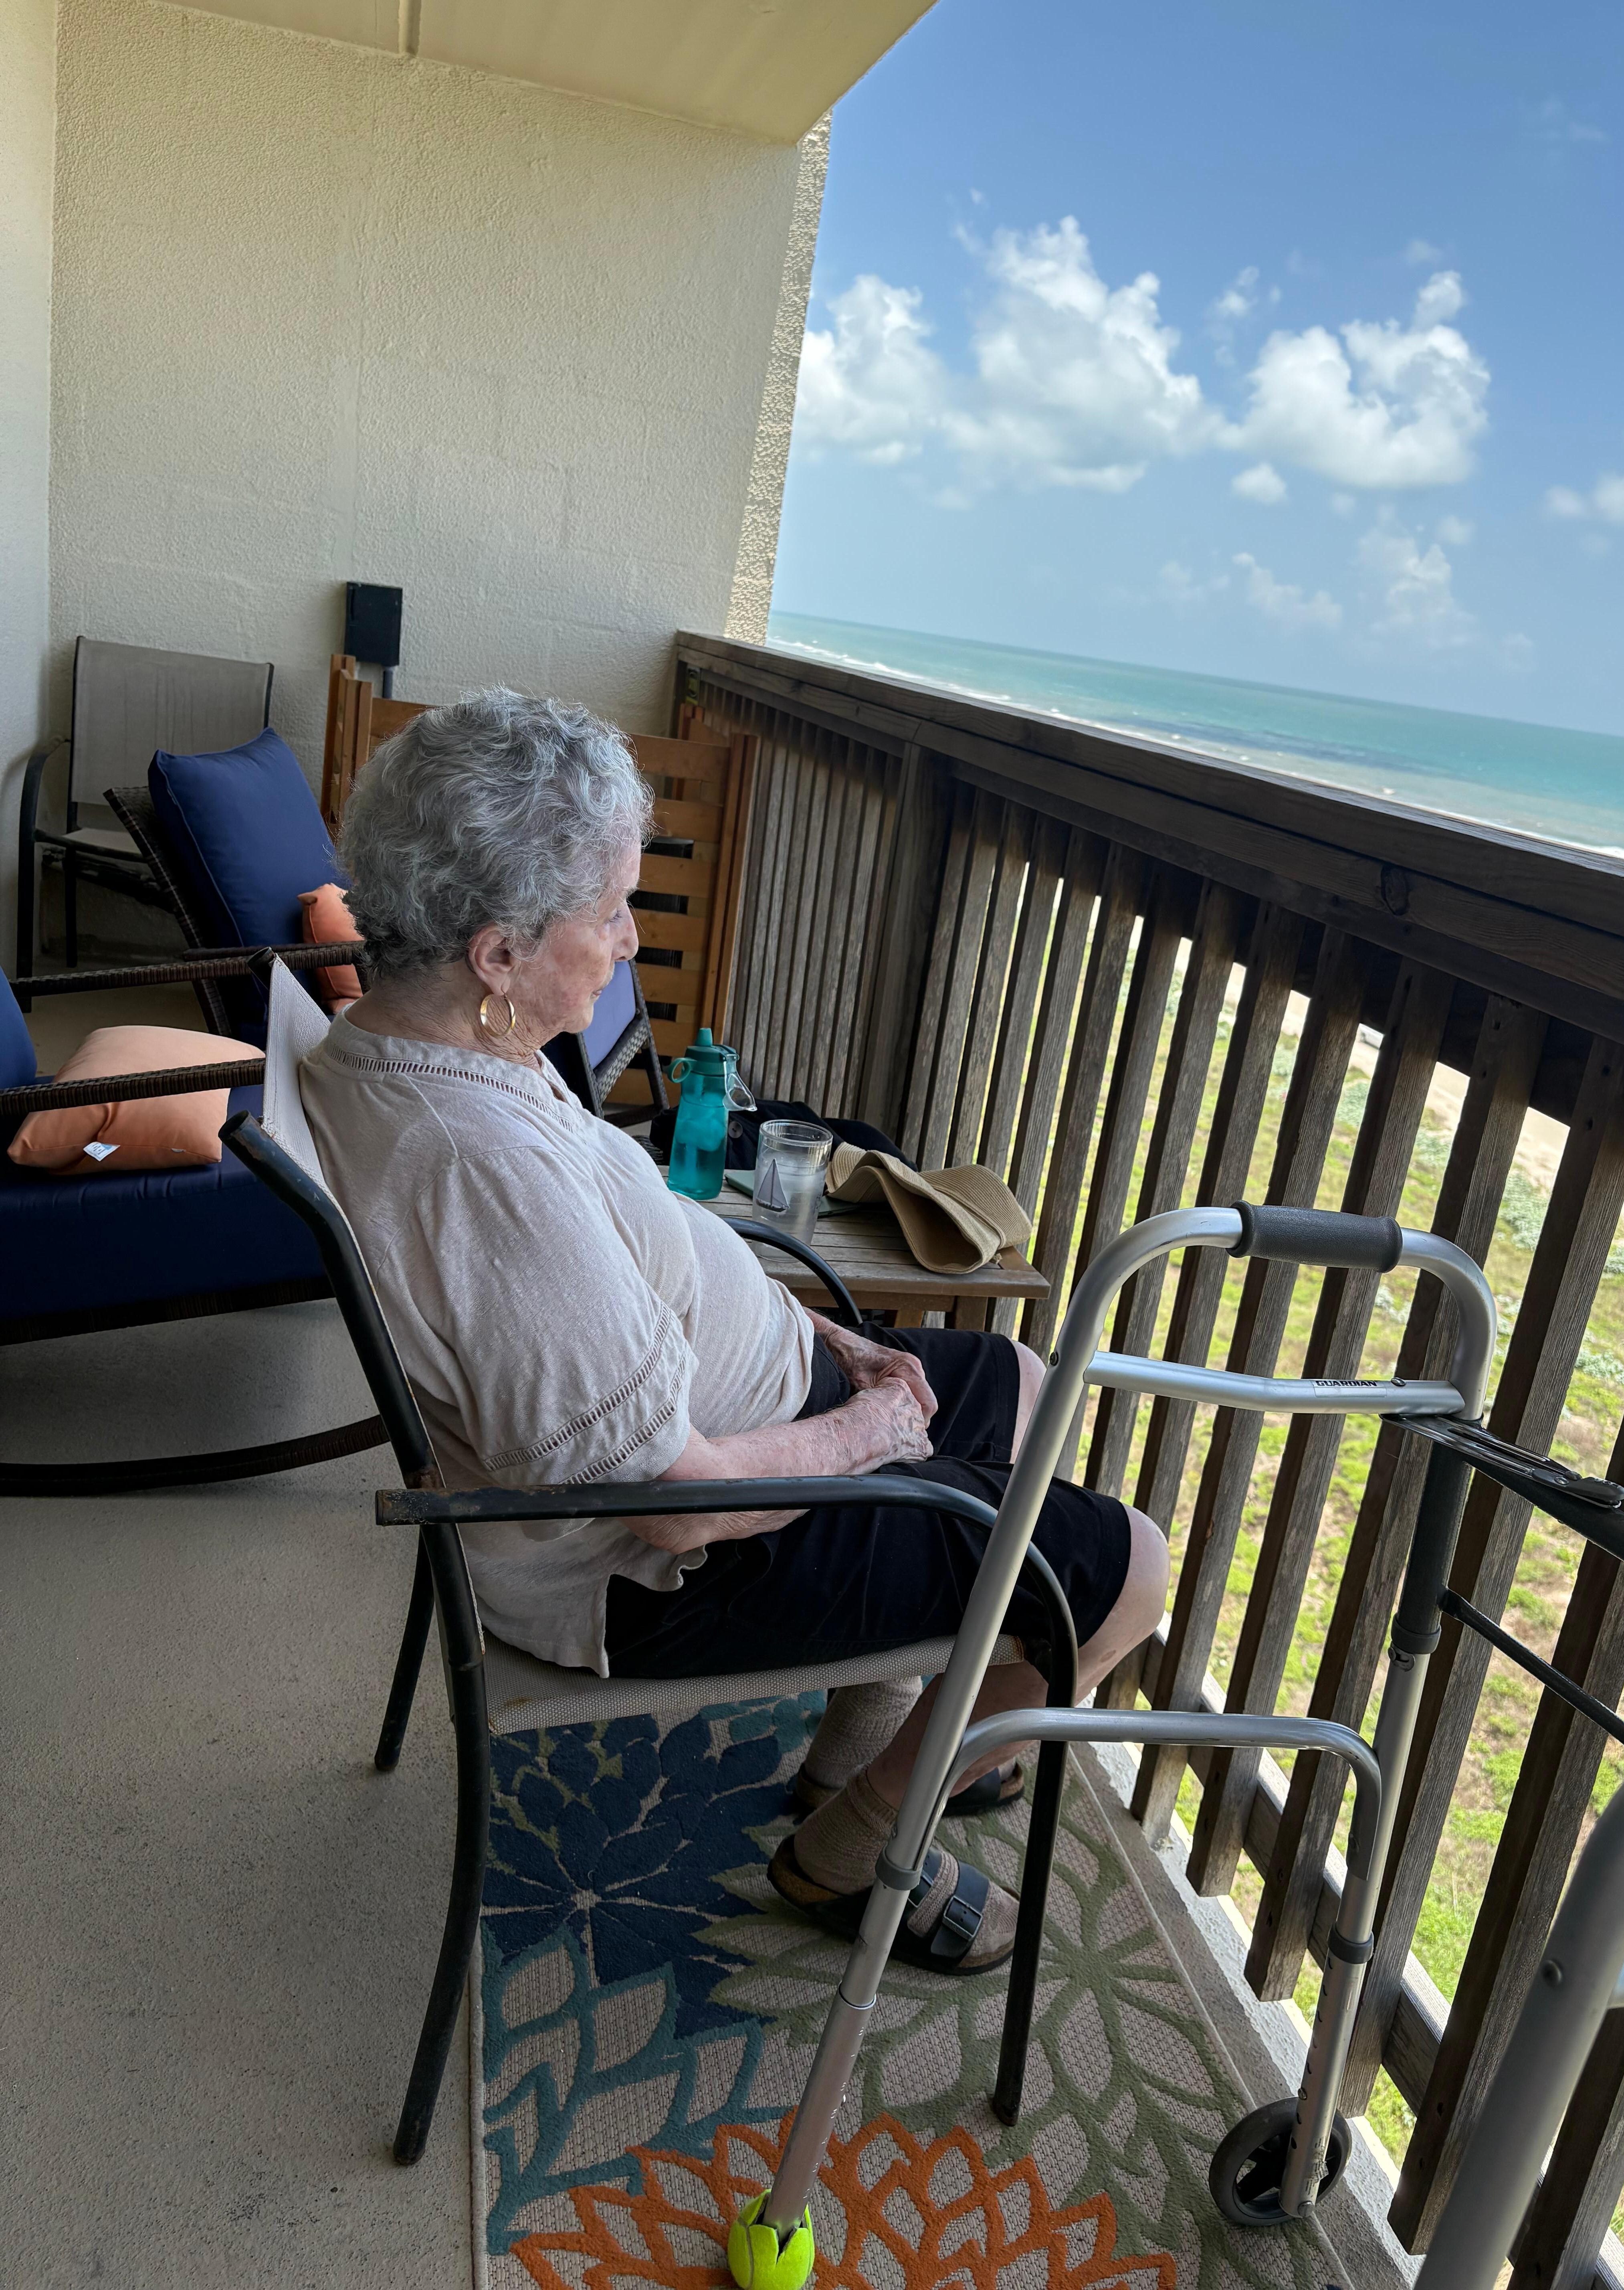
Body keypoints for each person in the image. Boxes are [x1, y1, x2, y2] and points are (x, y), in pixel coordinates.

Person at [301, 688, 1169, 1976]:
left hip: (740, 1412)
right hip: (667, 1561)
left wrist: (824, 1335)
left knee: (1025, 1385)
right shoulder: (472, 1165)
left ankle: (851, 1761)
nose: (628, 939)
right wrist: (867, 1429)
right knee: (1124, 1568)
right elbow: (673, 1504)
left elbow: (630, 1260)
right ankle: (851, 1849)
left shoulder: (445, 1036)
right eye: (608, 913)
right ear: (495, 949)